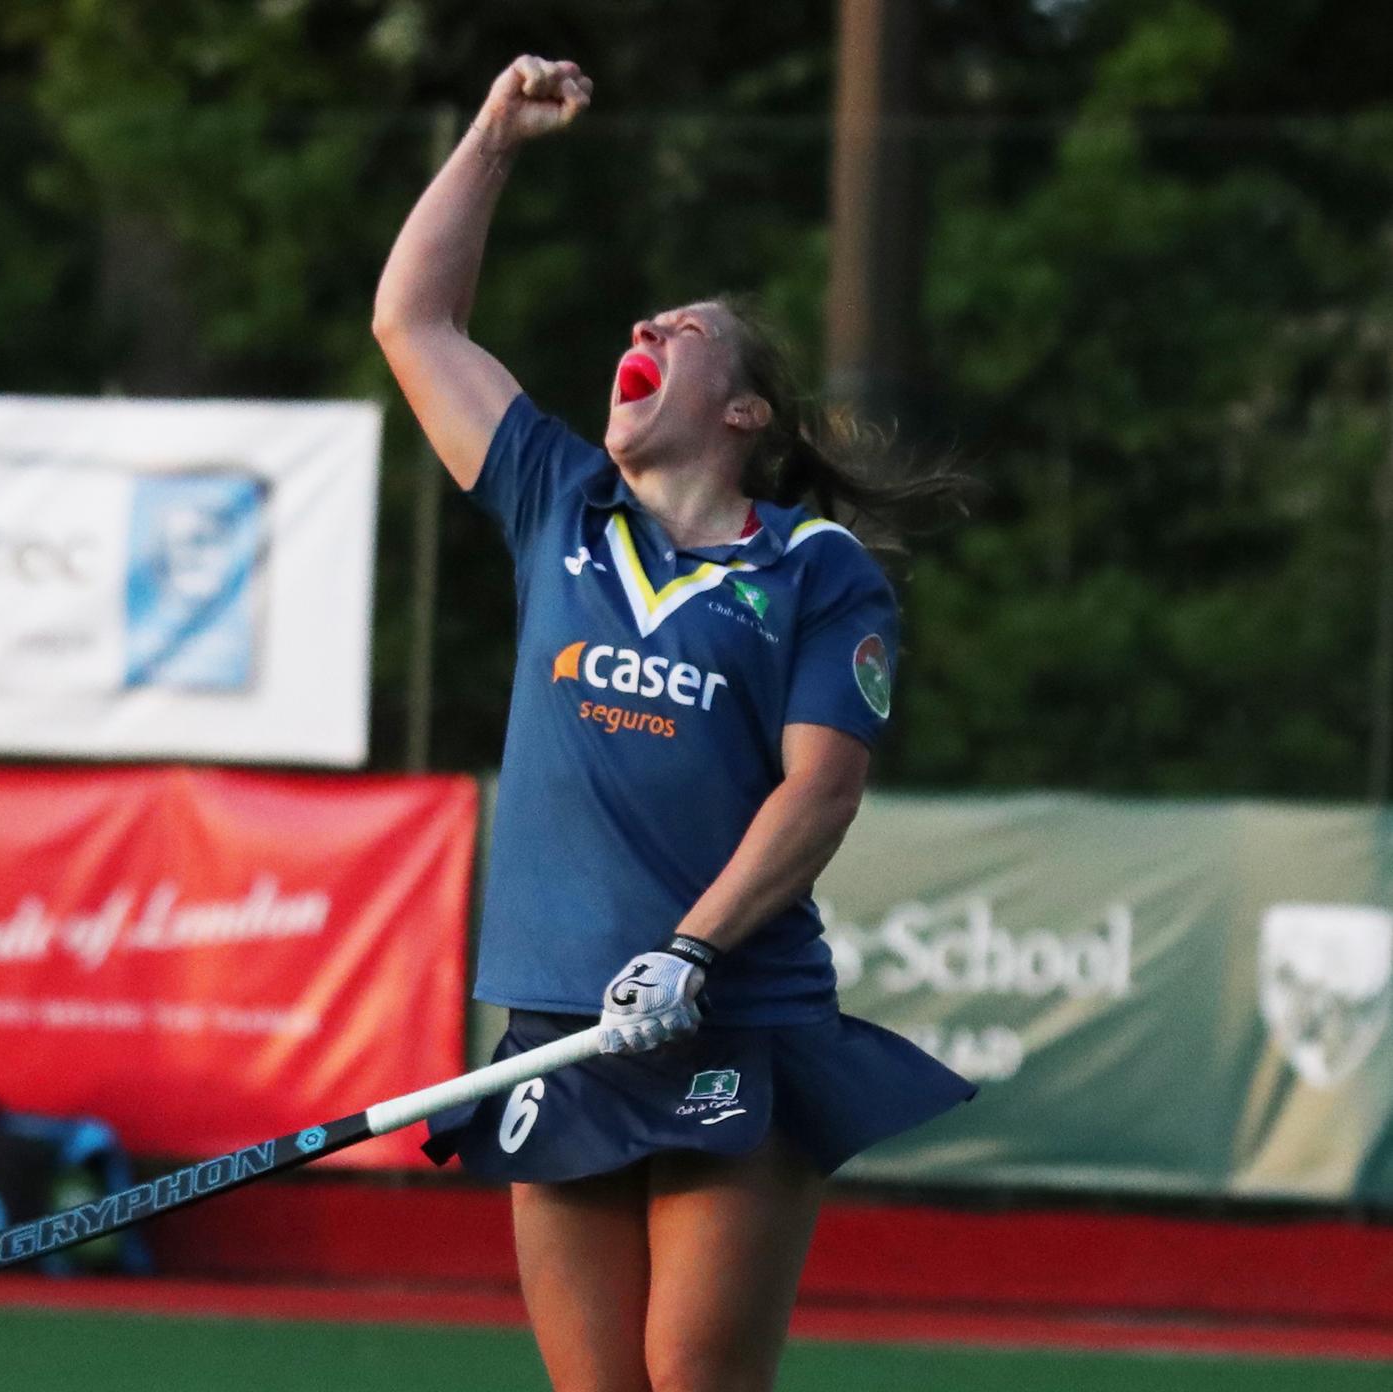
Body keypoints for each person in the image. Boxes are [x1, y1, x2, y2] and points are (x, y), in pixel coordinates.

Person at [373, 55, 975, 1392]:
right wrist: (491, 141)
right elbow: (416, 322)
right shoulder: (559, 501)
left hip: (727, 1014)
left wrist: (691, 954)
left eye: (686, 328)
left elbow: (819, 791)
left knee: (692, 1378)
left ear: (743, 412)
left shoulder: (816, 571)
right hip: (561, 1020)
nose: (650, 324)